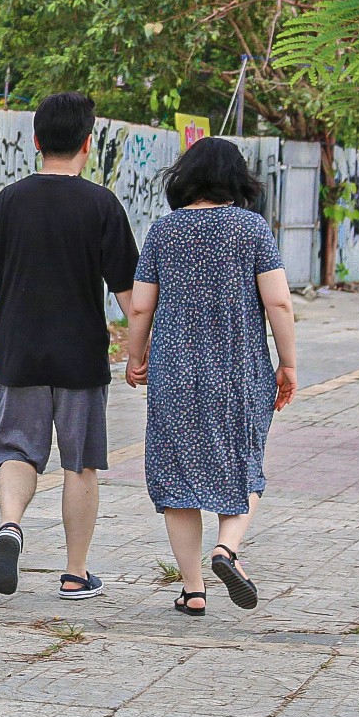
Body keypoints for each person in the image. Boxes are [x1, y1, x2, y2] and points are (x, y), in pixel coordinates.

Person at [0, 92, 140, 602]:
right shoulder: (102, 205)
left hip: (20, 352)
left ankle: (11, 525)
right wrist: (140, 349)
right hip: (81, 357)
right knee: (79, 463)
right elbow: (130, 296)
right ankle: (74, 573)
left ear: (36, 141)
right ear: (89, 143)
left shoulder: (10, 200)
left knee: (17, 449)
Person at [122, 139, 296, 618]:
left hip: (175, 373)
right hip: (241, 371)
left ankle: (193, 590)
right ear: (238, 179)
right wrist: (288, 364)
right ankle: (228, 548)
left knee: (178, 475)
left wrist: (135, 357)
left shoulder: (164, 231)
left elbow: (140, 305)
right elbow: (278, 302)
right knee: (244, 460)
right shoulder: (252, 229)